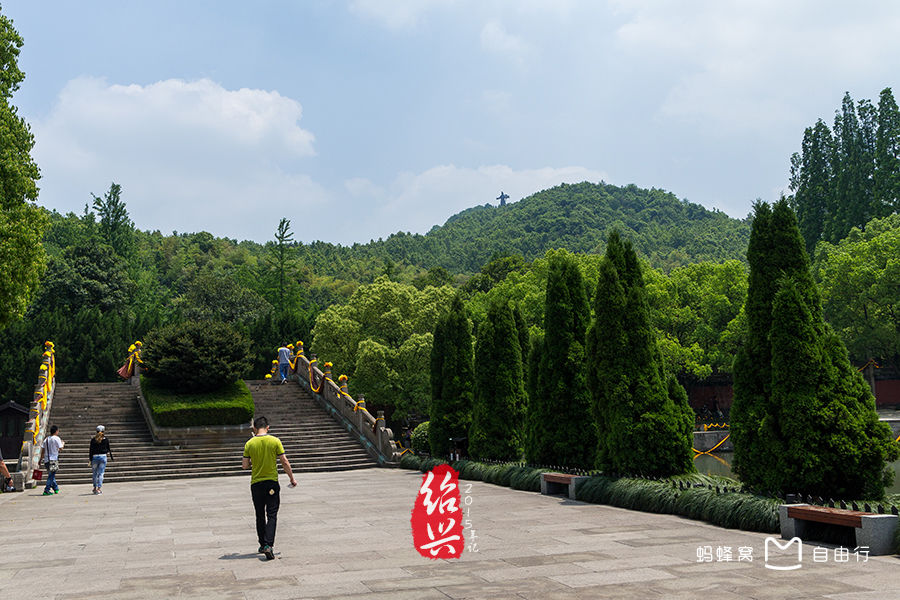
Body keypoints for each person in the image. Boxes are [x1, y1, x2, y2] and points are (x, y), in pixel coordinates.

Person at [242, 416, 297, 560]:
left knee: (259, 514)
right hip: (271, 483)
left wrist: (255, 461)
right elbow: (284, 461)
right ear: (267, 427)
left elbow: (245, 465)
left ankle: (262, 543)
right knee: (271, 514)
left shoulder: (249, 444)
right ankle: (269, 545)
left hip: (256, 484)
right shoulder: (275, 441)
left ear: (254, 428)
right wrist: (292, 478)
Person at [39, 425, 63, 496]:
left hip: (46, 460)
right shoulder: (56, 438)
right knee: (51, 476)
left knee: (51, 475)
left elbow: (42, 451)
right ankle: (46, 490)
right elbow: (61, 448)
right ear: (56, 431)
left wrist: (40, 459)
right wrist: (63, 444)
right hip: (53, 459)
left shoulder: (46, 439)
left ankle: (56, 488)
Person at [90, 425, 114, 494]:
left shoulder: (93, 440)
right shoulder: (105, 439)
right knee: (101, 473)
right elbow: (108, 449)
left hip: (94, 457)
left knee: (94, 473)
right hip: (103, 457)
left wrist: (90, 458)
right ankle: (99, 488)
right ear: (103, 431)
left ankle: (94, 488)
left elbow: (91, 450)